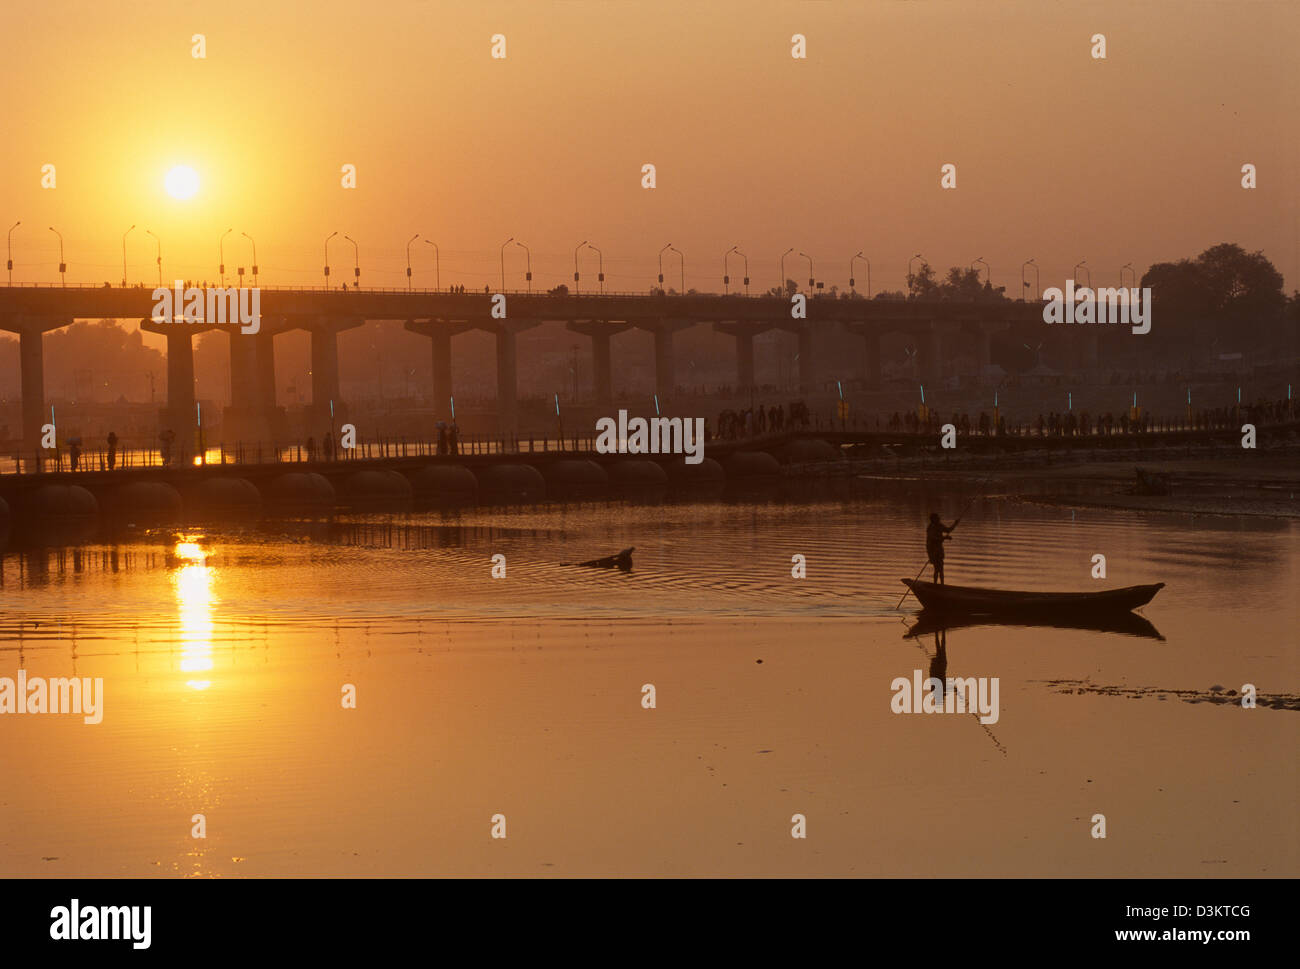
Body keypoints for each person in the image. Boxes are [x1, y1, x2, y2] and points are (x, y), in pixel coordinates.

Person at [926, 512, 958, 584]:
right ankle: (935, 585)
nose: (939, 519)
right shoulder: (930, 528)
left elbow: (948, 530)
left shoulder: (939, 525)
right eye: (937, 518)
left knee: (941, 569)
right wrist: (945, 537)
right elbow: (934, 539)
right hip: (933, 551)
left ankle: (942, 585)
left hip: (939, 550)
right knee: (937, 569)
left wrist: (955, 524)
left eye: (938, 518)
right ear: (933, 519)